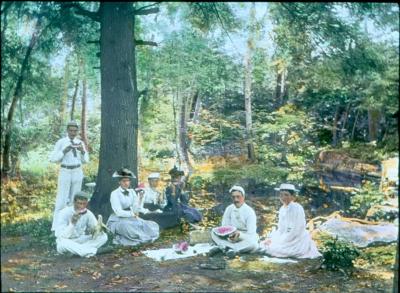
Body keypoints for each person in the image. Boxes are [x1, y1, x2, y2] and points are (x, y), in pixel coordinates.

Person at [259, 183, 322, 259]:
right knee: (265, 244)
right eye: (281, 195)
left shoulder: (297, 208)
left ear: (292, 197)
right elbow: (281, 228)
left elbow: (298, 228)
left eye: (286, 195)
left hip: (297, 238)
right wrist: (273, 239)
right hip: (286, 235)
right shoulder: (282, 209)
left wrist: (283, 240)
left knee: (274, 249)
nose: (283, 197)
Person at [49, 121, 89, 231]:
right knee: (61, 200)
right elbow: (52, 159)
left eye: (75, 131)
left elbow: (86, 161)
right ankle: (55, 228)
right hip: (65, 170)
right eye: (71, 130)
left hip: (77, 171)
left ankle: (71, 226)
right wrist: (64, 151)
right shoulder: (61, 142)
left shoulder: (80, 142)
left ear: (77, 131)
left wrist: (82, 151)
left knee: (75, 200)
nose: (73, 133)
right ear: (67, 130)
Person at [106, 168, 160, 246]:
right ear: (119, 182)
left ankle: (142, 238)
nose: (126, 183)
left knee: (150, 225)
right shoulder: (114, 193)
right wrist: (132, 214)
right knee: (128, 227)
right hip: (117, 219)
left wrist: (140, 199)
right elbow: (118, 212)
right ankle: (140, 239)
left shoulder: (131, 192)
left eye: (128, 181)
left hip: (131, 217)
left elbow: (135, 208)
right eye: (124, 181)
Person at [209, 185, 259, 258]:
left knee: (254, 244)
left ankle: (224, 248)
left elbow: (251, 233)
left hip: (244, 238)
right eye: (233, 197)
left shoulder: (249, 212)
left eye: (238, 197)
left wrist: (240, 235)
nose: (236, 200)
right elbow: (225, 226)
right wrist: (229, 235)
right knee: (213, 232)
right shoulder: (229, 209)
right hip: (230, 237)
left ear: (243, 197)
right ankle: (229, 249)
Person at [54, 191, 107, 258]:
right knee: (62, 244)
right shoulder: (64, 213)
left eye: (84, 204)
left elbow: (95, 228)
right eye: (79, 203)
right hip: (67, 241)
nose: (81, 206)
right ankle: (94, 251)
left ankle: (79, 251)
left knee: (103, 237)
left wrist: (98, 229)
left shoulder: (88, 213)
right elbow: (61, 236)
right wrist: (72, 224)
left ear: (87, 203)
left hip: (81, 240)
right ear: (74, 202)